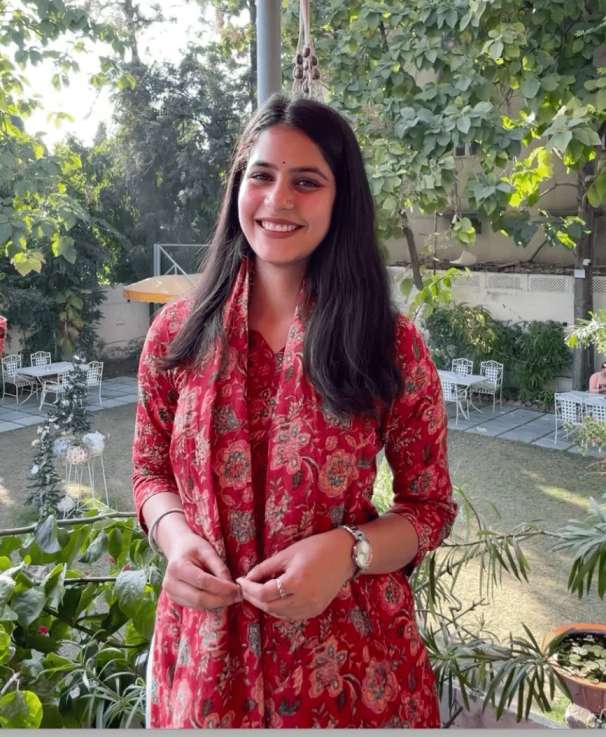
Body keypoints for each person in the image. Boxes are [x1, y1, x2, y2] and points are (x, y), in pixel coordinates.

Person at [132, 93, 457, 728]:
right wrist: (175, 539)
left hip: (347, 670)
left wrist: (348, 551)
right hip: (206, 661)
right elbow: (149, 472)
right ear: (238, 187)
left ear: (341, 200)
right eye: (261, 175)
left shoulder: (388, 344)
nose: (278, 200)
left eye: (306, 182)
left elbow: (431, 508)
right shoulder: (177, 334)